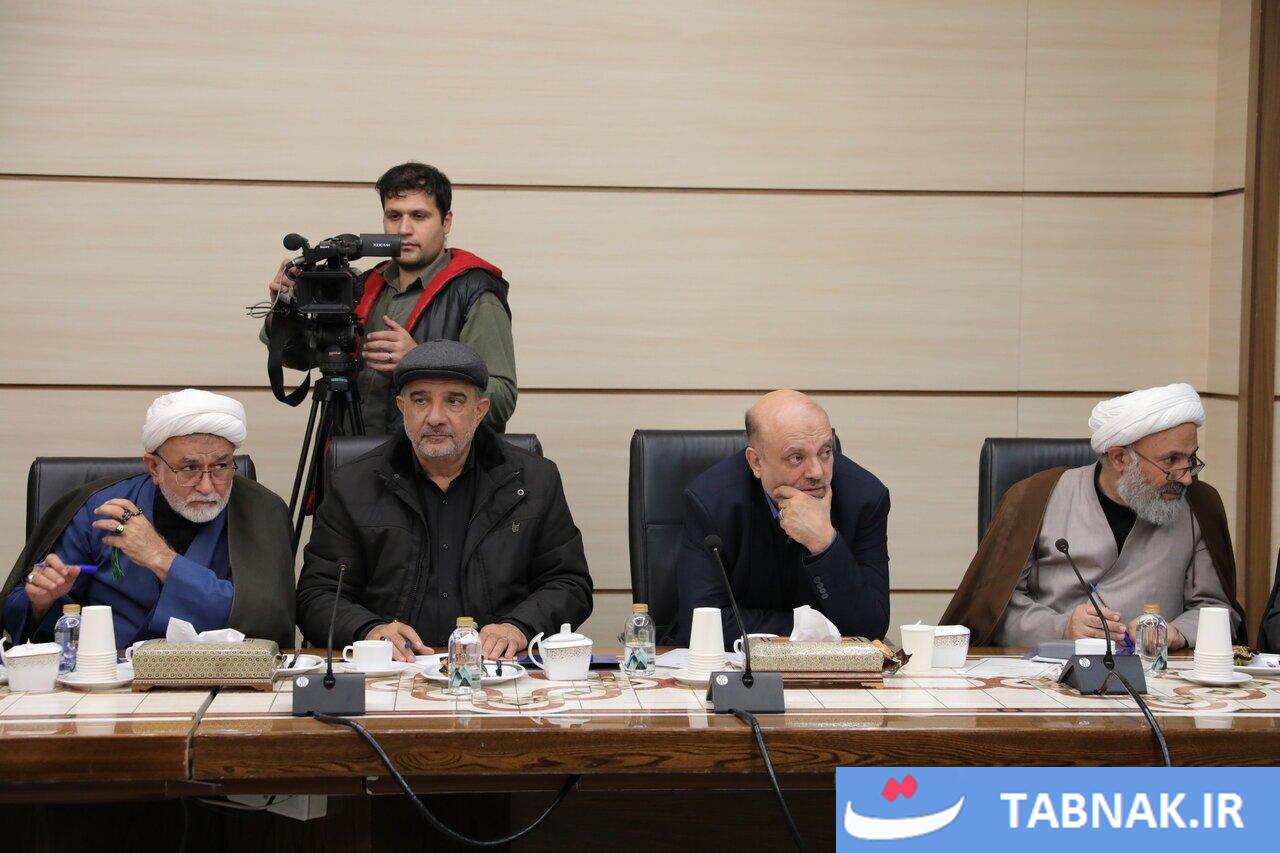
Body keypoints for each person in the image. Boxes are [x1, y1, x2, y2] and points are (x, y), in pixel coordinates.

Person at [296, 340, 592, 662]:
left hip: (497, 669)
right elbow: (317, 595)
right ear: (402, 407)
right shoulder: (353, 485)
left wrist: (519, 626)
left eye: (454, 401)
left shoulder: (534, 480)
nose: (435, 417)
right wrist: (370, 630)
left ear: (480, 411)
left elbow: (569, 583)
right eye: (420, 400)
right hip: (393, 668)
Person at [943, 383, 1245, 649]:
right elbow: (992, 612)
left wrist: (1176, 633)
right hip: (1049, 675)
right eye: (1171, 460)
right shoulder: (1034, 499)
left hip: (1157, 677)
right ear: (1120, 457)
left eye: (1190, 458)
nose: (1186, 477)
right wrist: (1062, 628)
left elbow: (1216, 610)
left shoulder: (1199, 505)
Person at [2, 390, 295, 648]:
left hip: (223, 676)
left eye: (221, 466)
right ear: (154, 467)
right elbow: (26, 613)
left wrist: (162, 559)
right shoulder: (100, 510)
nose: (207, 486)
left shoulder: (261, 511)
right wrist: (40, 602)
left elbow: (267, 618)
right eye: (189, 469)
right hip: (107, 676)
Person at [260, 161, 517, 434]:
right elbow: (299, 359)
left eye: (419, 216)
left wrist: (421, 362)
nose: (404, 229)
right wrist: (286, 309)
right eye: (394, 216)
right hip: (350, 452)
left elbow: (501, 400)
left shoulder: (474, 292)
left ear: (446, 222)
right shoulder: (361, 286)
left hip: (426, 457)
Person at [672, 390, 891, 648]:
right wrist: (811, 629)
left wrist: (825, 544)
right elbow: (701, 623)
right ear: (756, 462)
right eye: (796, 458)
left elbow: (871, 628)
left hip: (831, 668)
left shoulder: (865, 499)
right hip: (735, 664)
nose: (817, 472)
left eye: (825, 452)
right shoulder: (711, 502)